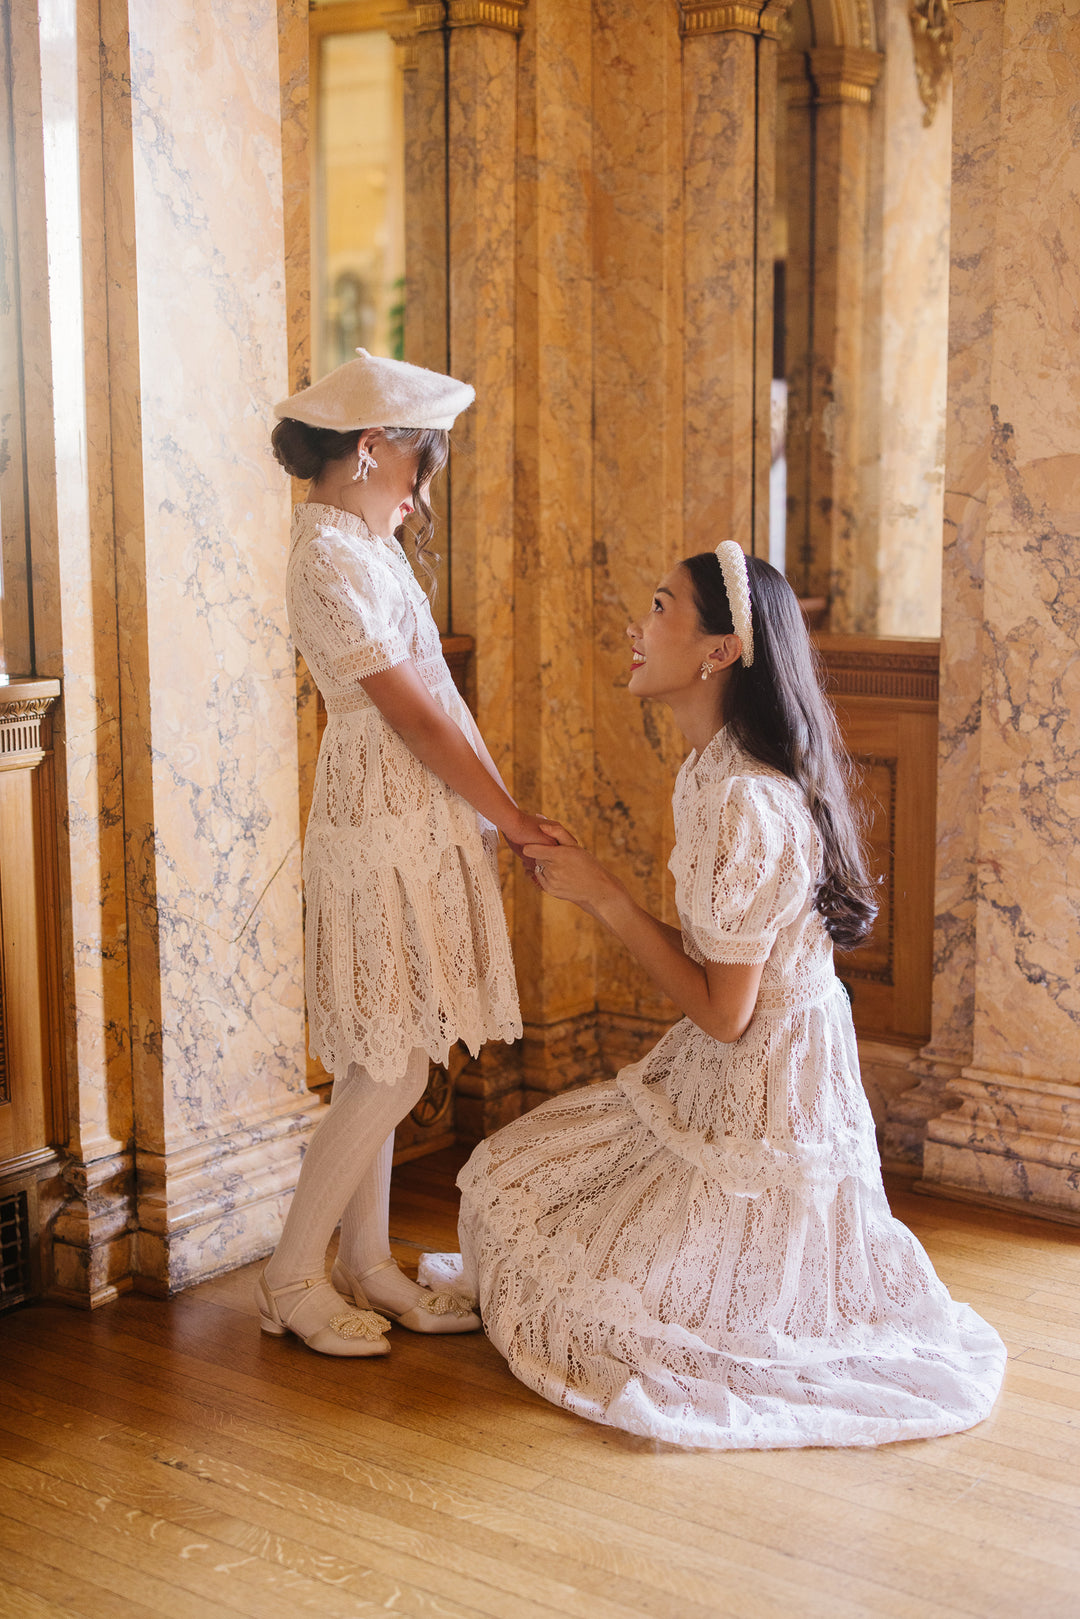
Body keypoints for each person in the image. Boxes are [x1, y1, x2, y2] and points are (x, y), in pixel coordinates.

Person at [444, 542, 1006, 1445]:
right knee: (509, 1187)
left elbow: (727, 1012)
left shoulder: (745, 800)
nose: (638, 624)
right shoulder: (710, 770)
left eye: (662, 606)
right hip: (732, 1060)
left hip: (769, 1090)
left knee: (607, 1310)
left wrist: (606, 896)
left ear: (717, 652)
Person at [258, 349, 552, 1356]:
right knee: (388, 1061)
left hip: (412, 812)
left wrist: (489, 808)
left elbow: (437, 703)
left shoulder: (366, 549)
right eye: (419, 470)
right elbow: (413, 718)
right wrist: (509, 817)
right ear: (370, 447)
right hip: (377, 814)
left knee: (392, 1045)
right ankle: (291, 1274)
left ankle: (366, 1261)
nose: (421, 499)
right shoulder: (327, 557)